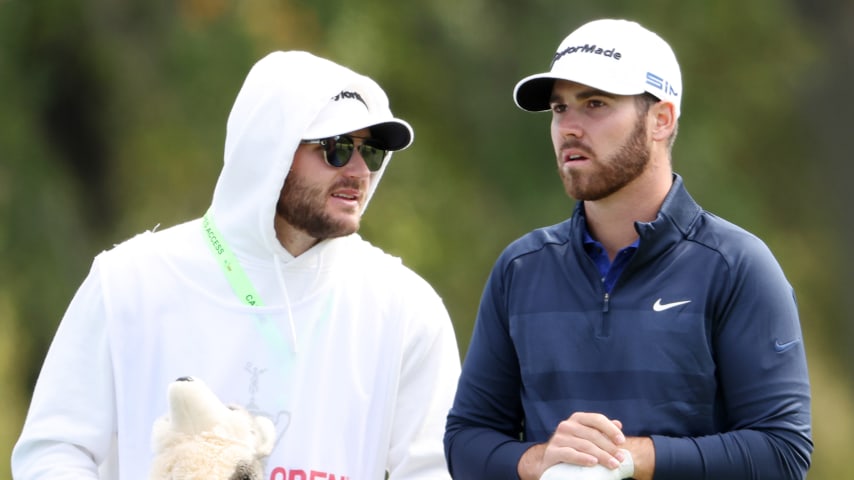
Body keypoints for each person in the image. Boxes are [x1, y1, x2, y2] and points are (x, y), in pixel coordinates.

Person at [12, 50, 461, 479]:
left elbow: (437, 470)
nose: (360, 171)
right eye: (337, 148)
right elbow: (53, 452)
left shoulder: (405, 307)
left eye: (374, 151)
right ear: (271, 149)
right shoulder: (129, 280)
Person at [444, 18, 812, 480]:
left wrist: (630, 456)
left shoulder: (736, 265)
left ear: (661, 120)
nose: (569, 128)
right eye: (559, 108)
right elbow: (465, 441)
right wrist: (540, 459)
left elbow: (782, 452)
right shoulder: (521, 268)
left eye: (595, 104)